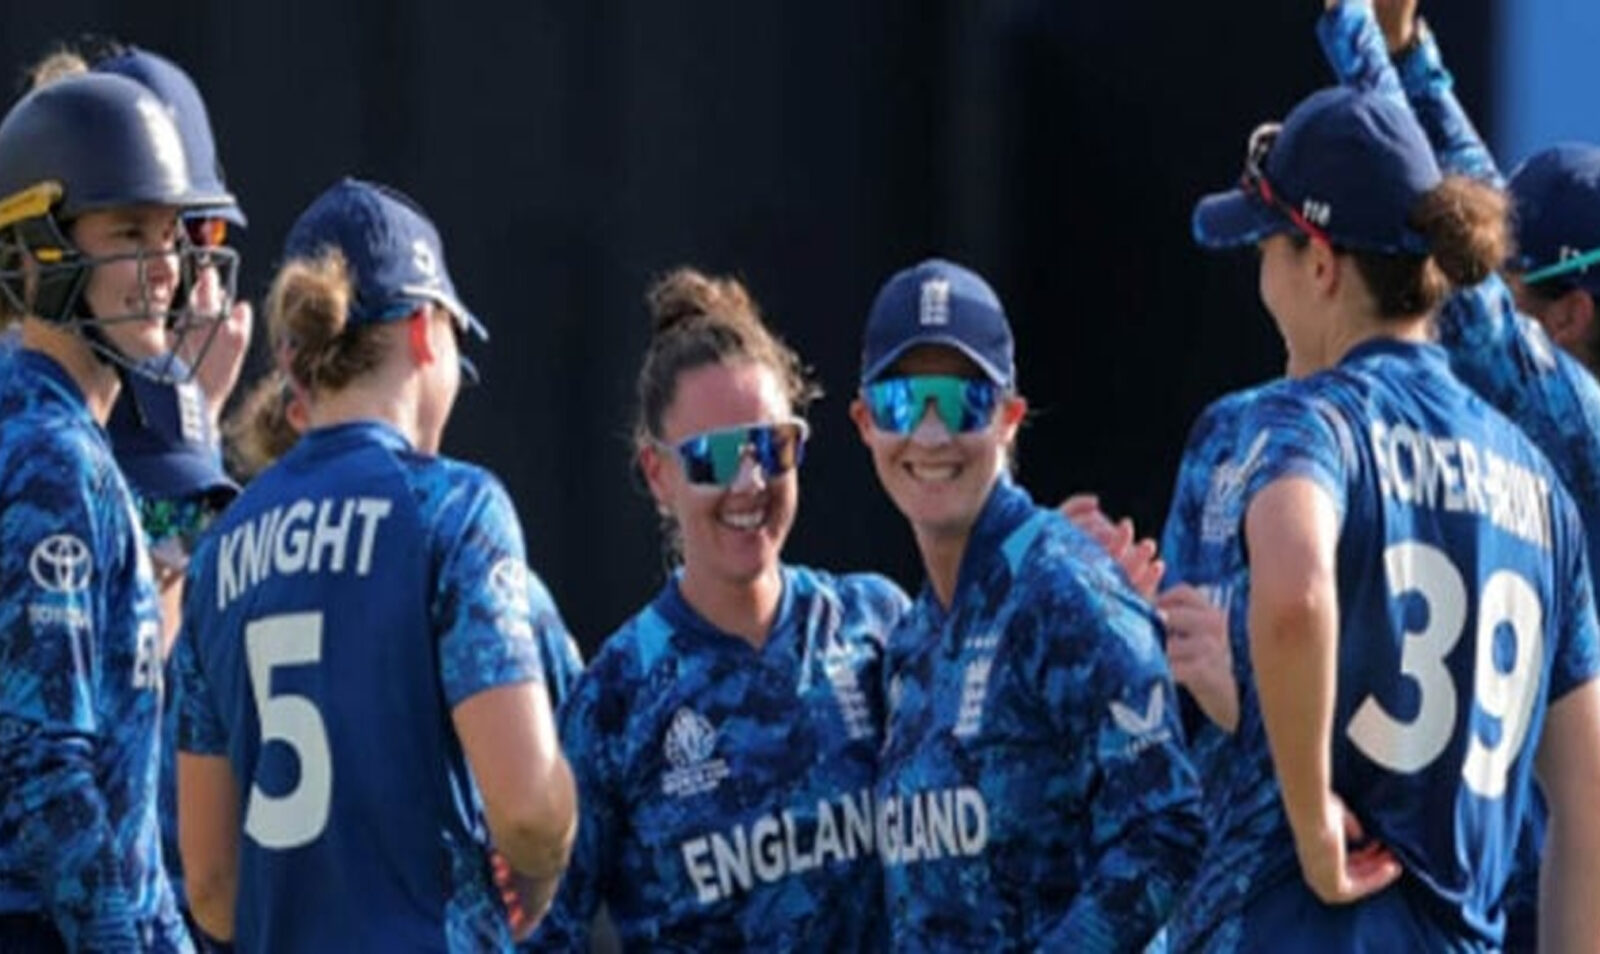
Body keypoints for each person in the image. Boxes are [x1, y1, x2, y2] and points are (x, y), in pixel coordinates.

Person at [1192, 82, 1600, 948]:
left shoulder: (1308, 421)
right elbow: (1590, 791)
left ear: (1320, 264)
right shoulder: (1540, 488)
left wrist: (1314, 828)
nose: (1262, 279)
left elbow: (1296, 598)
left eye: (1267, 248)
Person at [173, 178, 576, 951]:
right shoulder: (453, 509)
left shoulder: (219, 550)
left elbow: (213, 886)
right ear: (426, 331)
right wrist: (548, 850)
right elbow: (527, 811)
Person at [529, 267, 908, 951]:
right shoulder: (617, 696)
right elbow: (538, 929)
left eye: (772, 446)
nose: (750, 481)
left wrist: (1054, 567)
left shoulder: (874, 626)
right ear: (658, 475)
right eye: (716, 457)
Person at [853, 258, 1204, 950]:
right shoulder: (912, 642)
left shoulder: (1062, 587)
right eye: (902, 403)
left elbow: (1165, 830)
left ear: (1010, 417)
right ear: (864, 422)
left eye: (963, 401)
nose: (931, 434)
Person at [0, 72, 234, 951]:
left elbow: (121, 834)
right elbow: (44, 778)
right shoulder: (48, 456)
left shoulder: (66, 438)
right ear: (37, 249)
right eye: (130, 232)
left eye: (171, 234)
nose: (167, 265)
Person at [108, 357, 240, 950]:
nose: (175, 546)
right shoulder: (45, 652)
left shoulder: (214, 651)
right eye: (157, 515)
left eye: (197, 519)